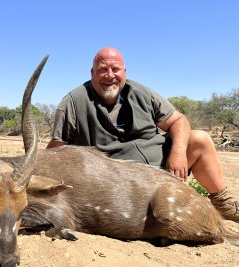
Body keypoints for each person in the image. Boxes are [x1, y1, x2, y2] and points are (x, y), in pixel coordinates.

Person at [47, 47, 239, 222]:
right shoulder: (73, 102)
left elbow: (178, 120)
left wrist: (178, 153)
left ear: (124, 72)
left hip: (161, 168)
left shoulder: (142, 93)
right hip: (115, 182)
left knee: (200, 139)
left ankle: (223, 205)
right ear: (92, 73)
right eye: (102, 69)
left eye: (115, 69)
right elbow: (56, 152)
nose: (109, 75)